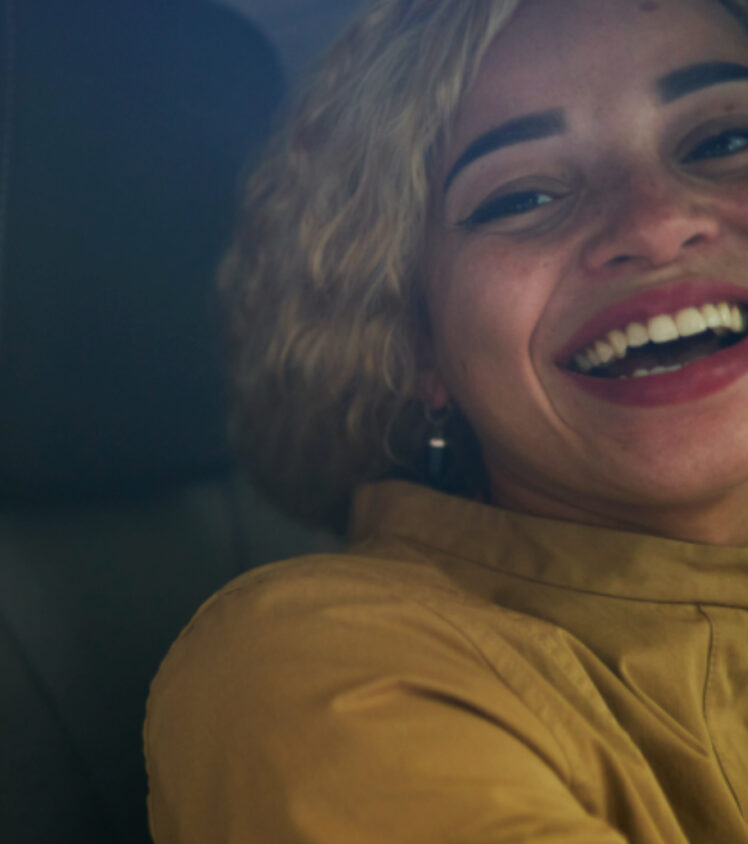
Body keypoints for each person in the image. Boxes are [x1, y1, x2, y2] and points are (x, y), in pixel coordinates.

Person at [146, 0, 748, 841]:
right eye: (523, 195)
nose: (655, 223)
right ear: (415, 342)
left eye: (723, 141)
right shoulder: (319, 659)